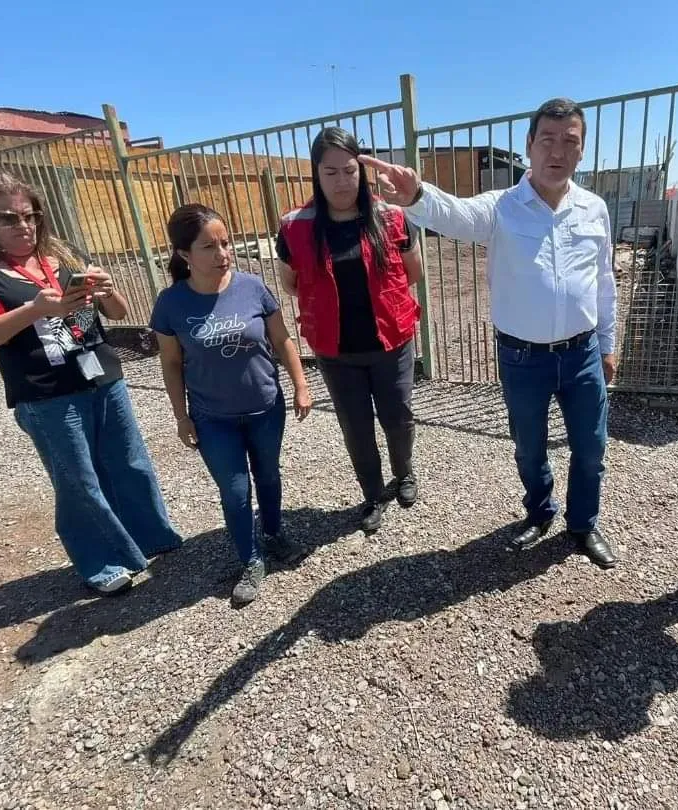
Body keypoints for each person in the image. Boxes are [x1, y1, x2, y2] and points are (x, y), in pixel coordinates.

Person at [359, 99, 618, 568]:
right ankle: (540, 511)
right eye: (547, 140)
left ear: (582, 151)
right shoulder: (502, 208)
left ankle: (583, 524)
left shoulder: (594, 209)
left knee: (591, 447)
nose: (558, 151)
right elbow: (456, 215)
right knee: (529, 447)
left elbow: (604, 282)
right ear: (529, 145)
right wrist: (417, 196)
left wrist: (607, 344)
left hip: (582, 354)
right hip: (523, 358)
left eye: (570, 141)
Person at [0, 167, 182, 596]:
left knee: (129, 463)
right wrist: (34, 309)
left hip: (102, 376)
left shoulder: (60, 252)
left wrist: (107, 290)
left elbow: (118, 312)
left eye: (30, 216)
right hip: (46, 392)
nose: (24, 226)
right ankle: (102, 562)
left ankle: (150, 536)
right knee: (78, 481)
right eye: (9, 218)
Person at [151, 204, 312, 606]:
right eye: (209, 247)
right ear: (184, 254)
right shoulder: (171, 303)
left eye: (226, 243)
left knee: (269, 476)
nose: (223, 254)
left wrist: (300, 385)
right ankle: (251, 559)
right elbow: (170, 363)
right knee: (236, 491)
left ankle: (273, 534)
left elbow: (282, 340)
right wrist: (181, 416)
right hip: (213, 418)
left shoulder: (252, 287)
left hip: (265, 408)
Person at [276, 127, 424, 534]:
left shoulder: (391, 216)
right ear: (316, 174)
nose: (342, 181)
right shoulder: (295, 226)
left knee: (398, 416)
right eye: (330, 172)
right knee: (356, 427)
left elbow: (413, 273)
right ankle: (372, 494)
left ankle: (404, 473)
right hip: (335, 350)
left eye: (349, 171)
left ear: (361, 171)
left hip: (390, 342)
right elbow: (291, 283)